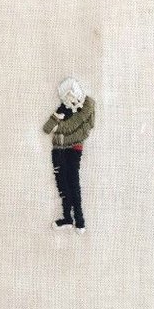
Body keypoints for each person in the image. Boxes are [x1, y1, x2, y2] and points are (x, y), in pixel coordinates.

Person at [43, 78, 95, 234]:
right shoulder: (64, 107)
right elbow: (47, 129)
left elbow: (82, 129)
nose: (69, 98)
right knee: (62, 184)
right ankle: (67, 218)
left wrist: (60, 129)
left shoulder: (88, 104)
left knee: (73, 183)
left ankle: (79, 220)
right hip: (58, 149)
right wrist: (57, 120)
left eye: (70, 94)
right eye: (66, 96)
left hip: (73, 149)